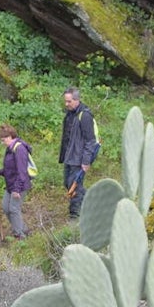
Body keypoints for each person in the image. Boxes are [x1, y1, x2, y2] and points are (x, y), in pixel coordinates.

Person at [59, 87, 97, 219]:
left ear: (77, 100)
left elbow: (90, 141)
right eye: (65, 101)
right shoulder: (70, 114)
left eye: (69, 101)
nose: (66, 104)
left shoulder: (85, 116)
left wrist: (86, 161)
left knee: (74, 187)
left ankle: (75, 217)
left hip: (79, 158)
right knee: (67, 183)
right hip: (69, 157)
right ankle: (92, 203)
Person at [0, 124, 33, 239]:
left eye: (3, 140)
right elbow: (10, 169)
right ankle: (22, 228)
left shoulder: (19, 149)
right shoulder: (9, 149)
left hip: (20, 185)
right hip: (10, 185)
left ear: (10, 137)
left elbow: (22, 172)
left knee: (14, 209)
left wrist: (17, 189)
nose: (2, 143)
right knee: (5, 207)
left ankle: (19, 235)